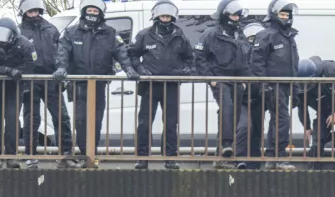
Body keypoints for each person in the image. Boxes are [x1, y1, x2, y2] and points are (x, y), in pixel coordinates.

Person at [54, 0, 137, 168]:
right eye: (89, 10)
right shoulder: (71, 32)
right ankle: (86, 154)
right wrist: (61, 68)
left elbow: (121, 52)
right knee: (80, 121)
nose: (92, 13)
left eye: (95, 10)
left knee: (96, 121)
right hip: (78, 86)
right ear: (84, 12)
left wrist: (129, 69)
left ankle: (92, 153)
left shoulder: (110, 33)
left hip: (99, 85)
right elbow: (62, 52)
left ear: (101, 13)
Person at [129, 1, 193, 170]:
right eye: (162, 16)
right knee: (144, 123)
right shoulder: (144, 35)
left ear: (172, 17)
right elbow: (133, 55)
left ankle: (170, 157)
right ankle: (142, 157)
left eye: (168, 16)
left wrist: (185, 70)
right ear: (156, 17)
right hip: (149, 85)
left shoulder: (180, 36)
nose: (165, 19)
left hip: (171, 85)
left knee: (171, 123)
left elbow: (189, 58)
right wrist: (141, 70)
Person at [195, 0, 250, 168]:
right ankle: (226, 144)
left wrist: (244, 80)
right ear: (225, 15)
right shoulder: (210, 34)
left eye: (238, 15)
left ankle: (225, 153)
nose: (236, 18)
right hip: (219, 79)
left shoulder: (240, 35)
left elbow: (246, 59)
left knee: (233, 115)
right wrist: (209, 78)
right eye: (233, 15)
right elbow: (199, 57)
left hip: (237, 81)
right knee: (227, 107)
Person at [18, 0, 73, 167]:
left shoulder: (51, 28)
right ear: (24, 12)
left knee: (61, 117)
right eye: (30, 11)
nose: (34, 13)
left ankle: (65, 154)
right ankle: (31, 155)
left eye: (36, 10)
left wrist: (62, 70)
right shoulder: (18, 31)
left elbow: (61, 53)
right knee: (32, 118)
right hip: (30, 80)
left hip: (51, 78)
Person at [245, 0, 299, 170]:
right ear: (274, 15)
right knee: (282, 120)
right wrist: (264, 85)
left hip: (286, 85)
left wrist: (295, 89)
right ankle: (278, 156)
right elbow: (257, 62)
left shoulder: (290, 36)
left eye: (287, 15)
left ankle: (272, 156)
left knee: (277, 121)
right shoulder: (266, 35)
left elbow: (294, 65)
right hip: (273, 85)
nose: (285, 18)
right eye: (282, 14)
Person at [0, 18, 36, 169]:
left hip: (14, 88)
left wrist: (19, 73)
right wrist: (6, 71)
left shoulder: (24, 44)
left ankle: (12, 155)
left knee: (12, 121)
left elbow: (30, 65)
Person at [292, 55, 335, 161]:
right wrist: (306, 127)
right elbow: (301, 107)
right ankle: (313, 172)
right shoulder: (299, 84)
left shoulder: (332, 71)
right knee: (316, 147)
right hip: (322, 110)